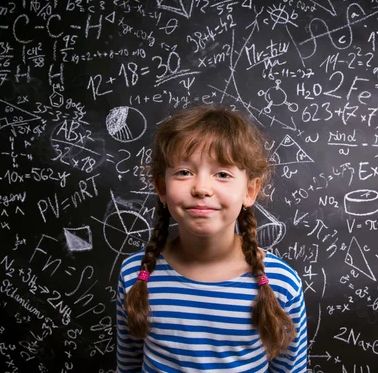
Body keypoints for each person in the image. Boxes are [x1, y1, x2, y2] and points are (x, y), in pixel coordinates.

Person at [116, 105, 308, 372]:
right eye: (184, 172)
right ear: (161, 187)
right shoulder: (136, 275)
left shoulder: (280, 283)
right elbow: (128, 365)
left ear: (250, 191)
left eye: (222, 174)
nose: (202, 188)